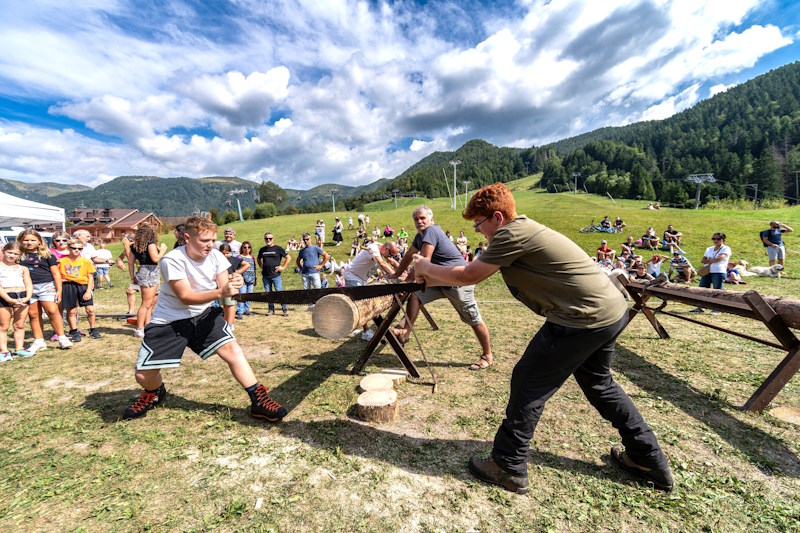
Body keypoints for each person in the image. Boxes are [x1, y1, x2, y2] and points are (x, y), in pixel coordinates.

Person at [411, 182, 674, 494]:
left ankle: (508, 464)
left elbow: (469, 276)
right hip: (609, 310)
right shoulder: (521, 229)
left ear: (497, 217)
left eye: (479, 225)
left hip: (581, 317)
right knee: (600, 385)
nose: (479, 231)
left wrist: (426, 266)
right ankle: (647, 458)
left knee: (528, 381)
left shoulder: (511, 233)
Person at [121, 216, 287, 422]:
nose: (210, 245)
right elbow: (186, 297)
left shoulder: (217, 256)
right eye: (204, 241)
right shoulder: (171, 260)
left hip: (205, 314)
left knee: (232, 350)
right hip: (170, 320)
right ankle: (154, 392)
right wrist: (221, 292)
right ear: (187, 238)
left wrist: (235, 282)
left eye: (212, 240)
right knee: (143, 376)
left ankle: (258, 399)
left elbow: (226, 289)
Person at [388, 206, 493, 371]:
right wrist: (396, 274)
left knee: (473, 319)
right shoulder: (419, 236)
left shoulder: (431, 231)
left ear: (431, 218)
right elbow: (409, 255)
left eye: (422, 218)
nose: (419, 221)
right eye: (416, 219)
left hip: (458, 281)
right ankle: (405, 333)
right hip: (441, 280)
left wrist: (407, 280)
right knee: (415, 295)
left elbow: (424, 259)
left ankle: (487, 355)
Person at [18, 229, 72, 351]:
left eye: (33, 240)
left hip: (47, 286)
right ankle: (39, 340)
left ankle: (62, 338)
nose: (29, 242)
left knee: (52, 311)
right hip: (28, 288)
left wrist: (59, 290)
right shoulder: (19, 256)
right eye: (26, 240)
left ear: (39, 241)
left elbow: (56, 274)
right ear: (21, 241)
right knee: (33, 314)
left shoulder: (47, 255)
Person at [344, 240, 399, 341]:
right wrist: (397, 276)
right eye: (390, 254)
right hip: (353, 276)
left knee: (359, 303)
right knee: (362, 304)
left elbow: (392, 262)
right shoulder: (374, 249)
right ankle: (365, 332)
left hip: (361, 279)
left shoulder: (382, 249)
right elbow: (382, 264)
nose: (390, 257)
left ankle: (351, 327)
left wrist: (402, 271)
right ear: (386, 248)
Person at [129, 226, 168, 338]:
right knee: (146, 303)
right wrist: (163, 250)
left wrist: (132, 277)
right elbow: (155, 258)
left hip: (144, 271)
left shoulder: (134, 246)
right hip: (150, 272)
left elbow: (130, 262)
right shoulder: (150, 244)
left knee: (151, 303)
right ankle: (139, 328)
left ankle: (148, 326)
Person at [60, 238, 101, 341]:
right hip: (68, 286)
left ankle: (93, 329)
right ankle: (74, 331)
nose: (76, 250)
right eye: (74, 248)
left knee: (90, 309)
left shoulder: (86, 262)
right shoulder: (61, 261)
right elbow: (57, 275)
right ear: (69, 248)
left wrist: (88, 291)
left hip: (83, 286)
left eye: (79, 248)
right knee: (72, 311)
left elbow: (90, 277)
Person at [0, 242, 34, 360]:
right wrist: (9, 299)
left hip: (22, 296)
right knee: (4, 326)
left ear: (20, 255)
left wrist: (27, 297)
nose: (12, 256)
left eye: (15, 254)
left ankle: (19, 348)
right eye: (9, 252)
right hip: (4, 296)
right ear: (4, 252)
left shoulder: (23, 268)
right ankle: (3, 351)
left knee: (19, 324)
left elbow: (28, 283)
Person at [691, 232, 731, 314]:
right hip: (707, 271)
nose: (716, 240)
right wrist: (711, 260)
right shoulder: (709, 248)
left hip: (718, 271)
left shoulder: (726, 248)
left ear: (723, 240)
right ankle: (701, 306)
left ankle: (717, 308)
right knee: (702, 289)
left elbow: (720, 258)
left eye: (718, 239)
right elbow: (702, 260)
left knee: (717, 290)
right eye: (714, 239)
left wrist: (709, 261)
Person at [257, 232, 291, 317]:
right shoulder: (262, 249)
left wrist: (283, 267)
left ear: (273, 239)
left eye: (270, 238)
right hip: (265, 276)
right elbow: (258, 258)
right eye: (266, 239)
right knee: (268, 293)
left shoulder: (278, 248)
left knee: (279, 292)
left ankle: (284, 309)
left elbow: (288, 257)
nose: (268, 240)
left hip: (276, 275)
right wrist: (260, 265)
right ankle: (271, 309)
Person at [218, 243, 250, 325]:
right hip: (221, 285)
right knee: (224, 305)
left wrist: (237, 272)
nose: (225, 255)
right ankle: (225, 322)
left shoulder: (234, 259)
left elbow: (247, 264)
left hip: (231, 284)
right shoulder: (218, 260)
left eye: (227, 253)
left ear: (230, 252)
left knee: (230, 304)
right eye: (223, 253)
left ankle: (230, 324)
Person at [296, 234, 330, 310]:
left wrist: (321, 265)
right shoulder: (302, 250)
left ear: (311, 239)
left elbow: (326, 256)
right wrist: (301, 268)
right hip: (305, 273)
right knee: (307, 291)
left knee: (317, 289)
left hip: (314, 272)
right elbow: (298, 260)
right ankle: (310, 306)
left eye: (307, 239)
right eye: (304, 240)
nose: (306, 241)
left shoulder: (316, 248)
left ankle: (319, 305)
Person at [237, 241, 257, 317]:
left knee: (249, 295)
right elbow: (237, 268)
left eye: (248, 247)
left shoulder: (252, 257)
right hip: (243, 279)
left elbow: (254, 268)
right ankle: (240, 311)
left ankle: (246, 309)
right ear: (242, 248)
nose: (247, 249)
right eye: (244, 247)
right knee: (242, 295)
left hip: (251, 279)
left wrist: (255, 278)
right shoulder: (239, 257)